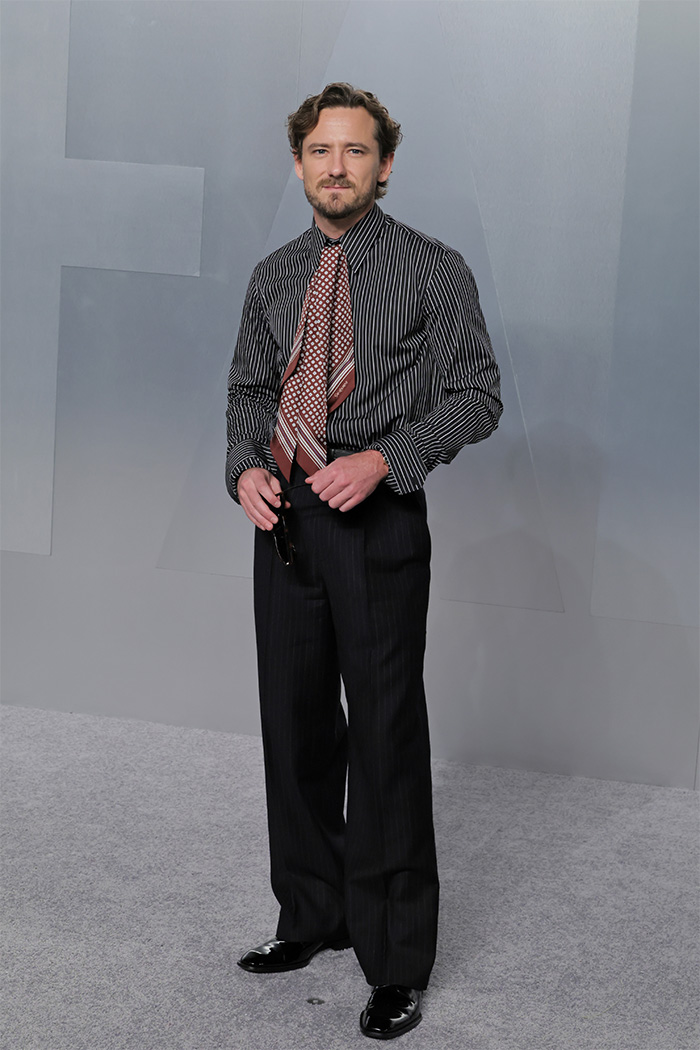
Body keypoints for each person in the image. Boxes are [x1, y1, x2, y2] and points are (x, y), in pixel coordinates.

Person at [226, 82, 502, 1040]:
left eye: (355, 150)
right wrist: (242, 474)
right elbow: (250, 390)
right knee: (295, 727)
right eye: (319, 151)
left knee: (384, 738)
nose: (335, 166)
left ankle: (395, 959)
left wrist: (388, 459)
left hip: (376, 520)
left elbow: (476, 394)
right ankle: (313, 913)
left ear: (386, 165)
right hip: (287, 523)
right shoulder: (272, 275)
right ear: (299, 165)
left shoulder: (432, 269)